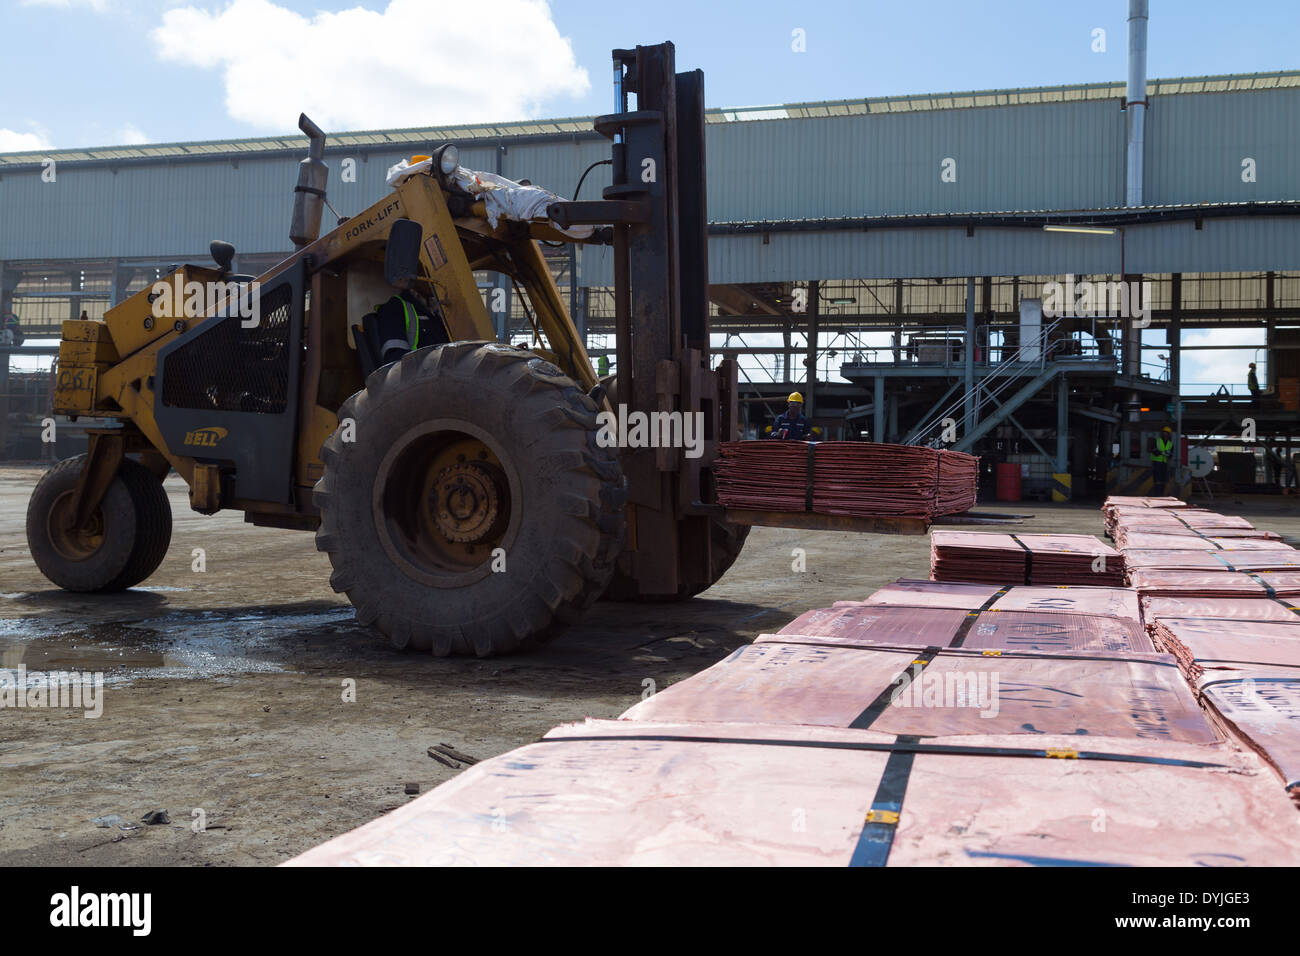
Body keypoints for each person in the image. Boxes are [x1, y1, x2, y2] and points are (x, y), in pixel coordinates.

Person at [1150, 425, 1173, 495]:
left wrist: (1168, 454)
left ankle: (1161, 493)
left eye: (1167, 433)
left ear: (1169, 435)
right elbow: (1153, 451)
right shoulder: (1157, 441)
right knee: (1157, 479)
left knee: (1163, 479)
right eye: (1164, 433)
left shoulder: (1170, 444)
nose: (1165, 434)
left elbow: (1171, 454)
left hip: (1164, 463)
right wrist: (1162, 453)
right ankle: (1157, 493)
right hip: (1156, 462)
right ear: (1162, 433)